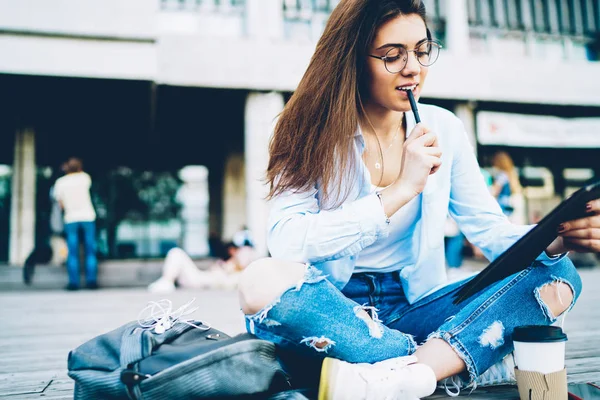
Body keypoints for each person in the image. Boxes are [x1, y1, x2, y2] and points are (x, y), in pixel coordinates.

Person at [237, 2, 595, 399]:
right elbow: (286, 242)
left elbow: (490, 232)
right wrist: (400, 191)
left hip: (414, 310)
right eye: (392, 56)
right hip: (330, 315)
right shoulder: (307, 130)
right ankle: (441, 364)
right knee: (259, 280)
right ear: (351, 60)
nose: (413, 68)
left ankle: (401, 374)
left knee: (559, 276)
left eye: (422, 51)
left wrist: (559, 235)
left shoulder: (444, 128)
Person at [53, 157, 98, 290]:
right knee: (90, 250)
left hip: (71, 218)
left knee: (72, 252)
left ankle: (74, 283)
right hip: (87, 216)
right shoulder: (85, 178)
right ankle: (91, 281)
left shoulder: (60, 182)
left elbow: (60, 204)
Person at [148, 241, 258, 293]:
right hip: (201, 276)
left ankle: (167, 281)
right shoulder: (227, 264)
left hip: (200, 281)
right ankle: (167, 280)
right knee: (176, 253)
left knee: (176, 253)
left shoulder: (239, 275)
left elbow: (225, 283)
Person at [490, 151, 523, 219]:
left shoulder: (502, 175)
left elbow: (494, 191)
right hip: (509, 206)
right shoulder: (512, 175)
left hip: (501, 206)